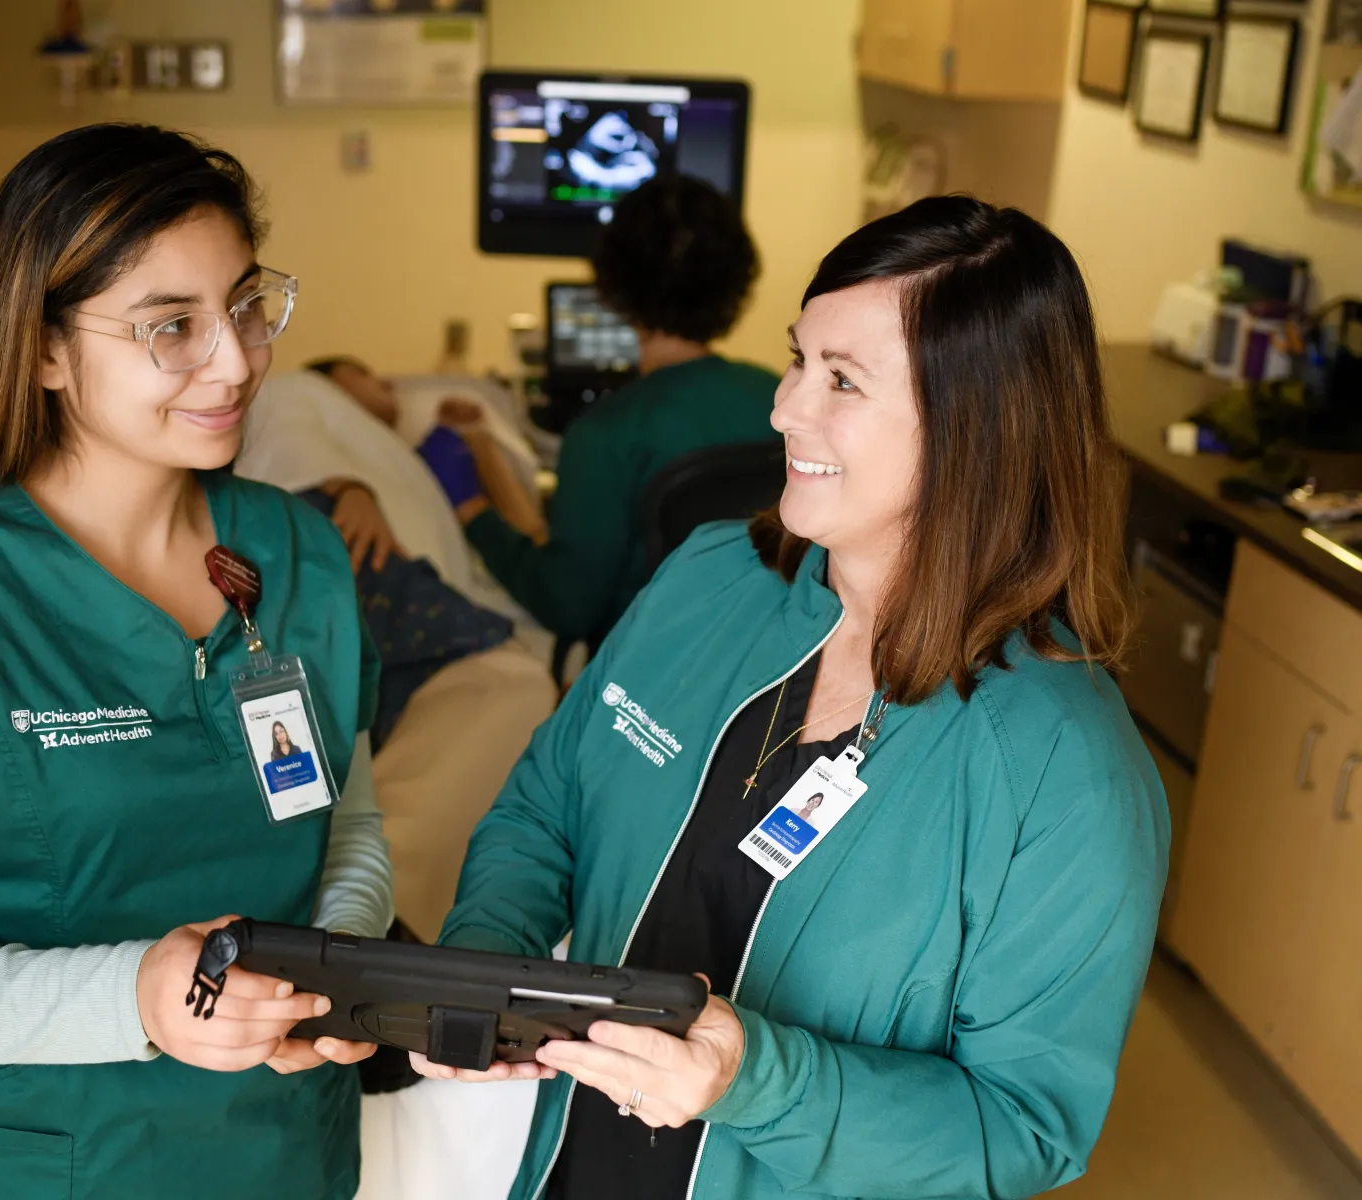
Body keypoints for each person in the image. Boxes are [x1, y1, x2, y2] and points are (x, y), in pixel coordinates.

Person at [416, 196, 1169, 1200]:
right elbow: (544, 809)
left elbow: (1023, 1128)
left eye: (842, 381)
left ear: (978, 426)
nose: (783, 409)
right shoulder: (708, 579)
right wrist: (478, 969)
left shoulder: (1065, 772)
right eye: (796, 360)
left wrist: (754, 1080)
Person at [0, 124, 393, 1198]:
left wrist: (336, 977)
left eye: (244, 305)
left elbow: (345, 831)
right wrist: (141, 997)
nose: (236, 358)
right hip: (32, 1162)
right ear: (43, 350)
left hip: (280, 1149)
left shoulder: (300, 553)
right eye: (171, 326)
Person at [458, 173, 780, 652]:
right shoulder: (782, 397)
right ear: (737, 280)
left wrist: (473, 511)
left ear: (613, 287)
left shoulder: (604, 435)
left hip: (643, 680)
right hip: (760, 663)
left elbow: (568, 607)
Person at [309, 356, 548, 543]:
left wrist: (473, 437)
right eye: (362, 375)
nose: (387, 384)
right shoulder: (331, 469)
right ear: (324, 390)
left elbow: (529, 534)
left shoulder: (431, 450)